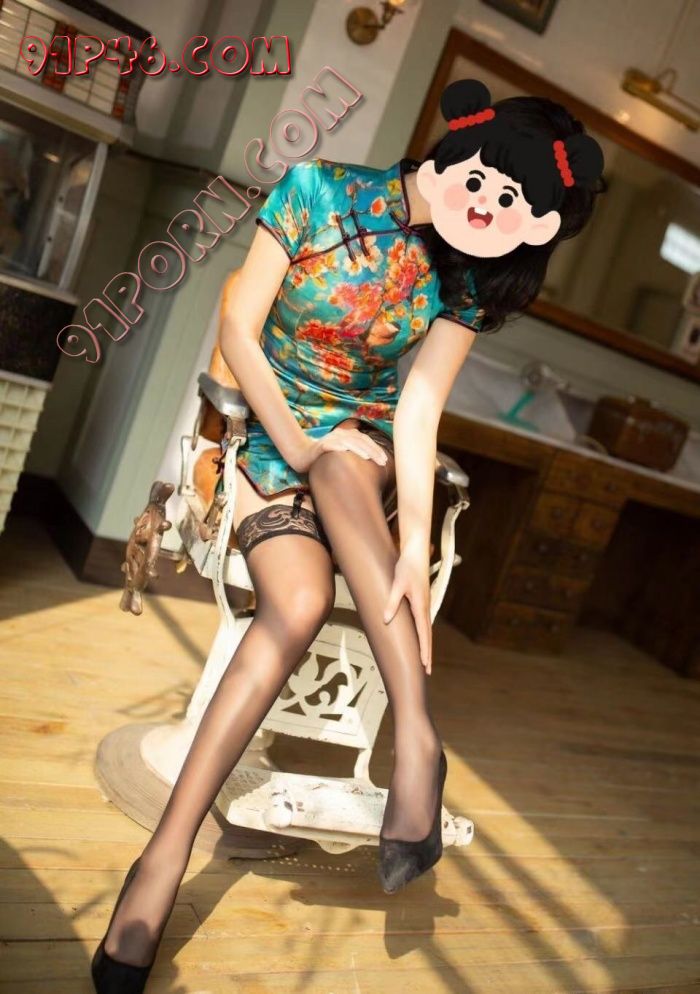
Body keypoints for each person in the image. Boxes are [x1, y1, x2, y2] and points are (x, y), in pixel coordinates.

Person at [91, 78, 604, 992]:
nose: (486, 208)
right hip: (262, 435)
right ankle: (171, 858)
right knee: (295, 605)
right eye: (485, 182)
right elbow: (238, 328)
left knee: (344, 460)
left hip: (356, 461)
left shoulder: (464, 271)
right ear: (460, 145)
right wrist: (299, 442)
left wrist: (412, 545)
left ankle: (410, 740)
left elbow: (417, 410)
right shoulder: (318, 189)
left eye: (513, 207)